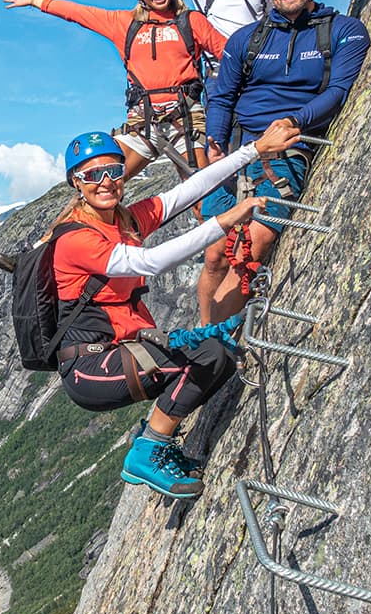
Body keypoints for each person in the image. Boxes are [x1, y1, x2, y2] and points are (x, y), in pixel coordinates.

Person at [52, 121, 302, 498]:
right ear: (77, 182)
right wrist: (226, 220)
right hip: (88, 368)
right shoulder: (76, 239)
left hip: (116, 353)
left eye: (114, 171)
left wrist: (254, 150)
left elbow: (187, 192)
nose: (106, 182)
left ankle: (156, 439)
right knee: (205, 355)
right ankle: (147, 450)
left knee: (219, 356)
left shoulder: (125, 220)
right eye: (92, 175)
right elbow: (149, 262)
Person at [197, 0, 371, 323]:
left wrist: (295, 121)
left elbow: (338, 91)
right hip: (239, 151)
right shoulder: (247, 39)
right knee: (214, 254)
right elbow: (222, 95)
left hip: (286, 150)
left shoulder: (344, 31)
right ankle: (202, 335)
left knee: (251, 245)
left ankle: (210, 344)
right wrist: (215, 140)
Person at [2, 0, 226, 180]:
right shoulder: (124, 23)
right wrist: (36, 0)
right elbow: (80, 13)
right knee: (102, 180)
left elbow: (228, 54)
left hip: (186, 119)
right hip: (143, 122)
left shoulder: (192, 21)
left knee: (203, 192)